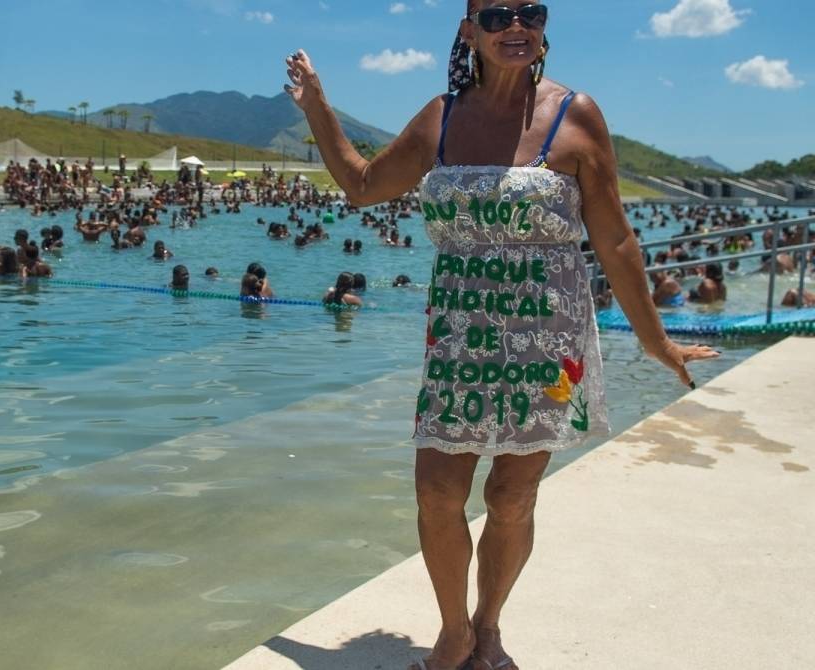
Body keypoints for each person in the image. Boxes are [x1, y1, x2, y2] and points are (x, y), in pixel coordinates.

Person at [285, 3, 718, 667]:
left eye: (530, 11)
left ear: (543, 27)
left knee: (512, 497)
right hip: (460, 338)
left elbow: (616, 238)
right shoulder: (443, 117)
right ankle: (453, 632)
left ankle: (486, 629)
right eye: (496, 14)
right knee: (436, 490)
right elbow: (363, 184)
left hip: (549, 340)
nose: (515, 25)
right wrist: (317, 105)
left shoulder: (576, 116)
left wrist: (656, 341)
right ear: (469, 32)